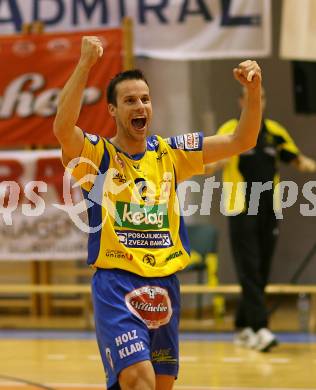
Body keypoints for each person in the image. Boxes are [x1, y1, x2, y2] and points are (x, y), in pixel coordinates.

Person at [53, 35, 262, 390]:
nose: (140, 106)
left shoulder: (170, 153)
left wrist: (253, 93)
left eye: (145, 99)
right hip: (116, 283)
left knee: (159, 385)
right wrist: (85, 64)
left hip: (164, 285)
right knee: (140, 380)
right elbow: (62, 129)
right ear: (113, 111)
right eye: (130, 100)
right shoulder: (97, 157)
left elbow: (242, 140)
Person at [205, 87, 316, 353]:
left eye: (262, 97)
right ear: (241, 100)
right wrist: (205, 165)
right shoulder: (231, 129)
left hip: (270, 210)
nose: (257, 101)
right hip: (241, 209)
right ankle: (260, 327)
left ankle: (243, 326)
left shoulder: (275, 132)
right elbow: (214, 162)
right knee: (250, 269)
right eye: (250, 96)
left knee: (261, 270)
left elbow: (299, 161)